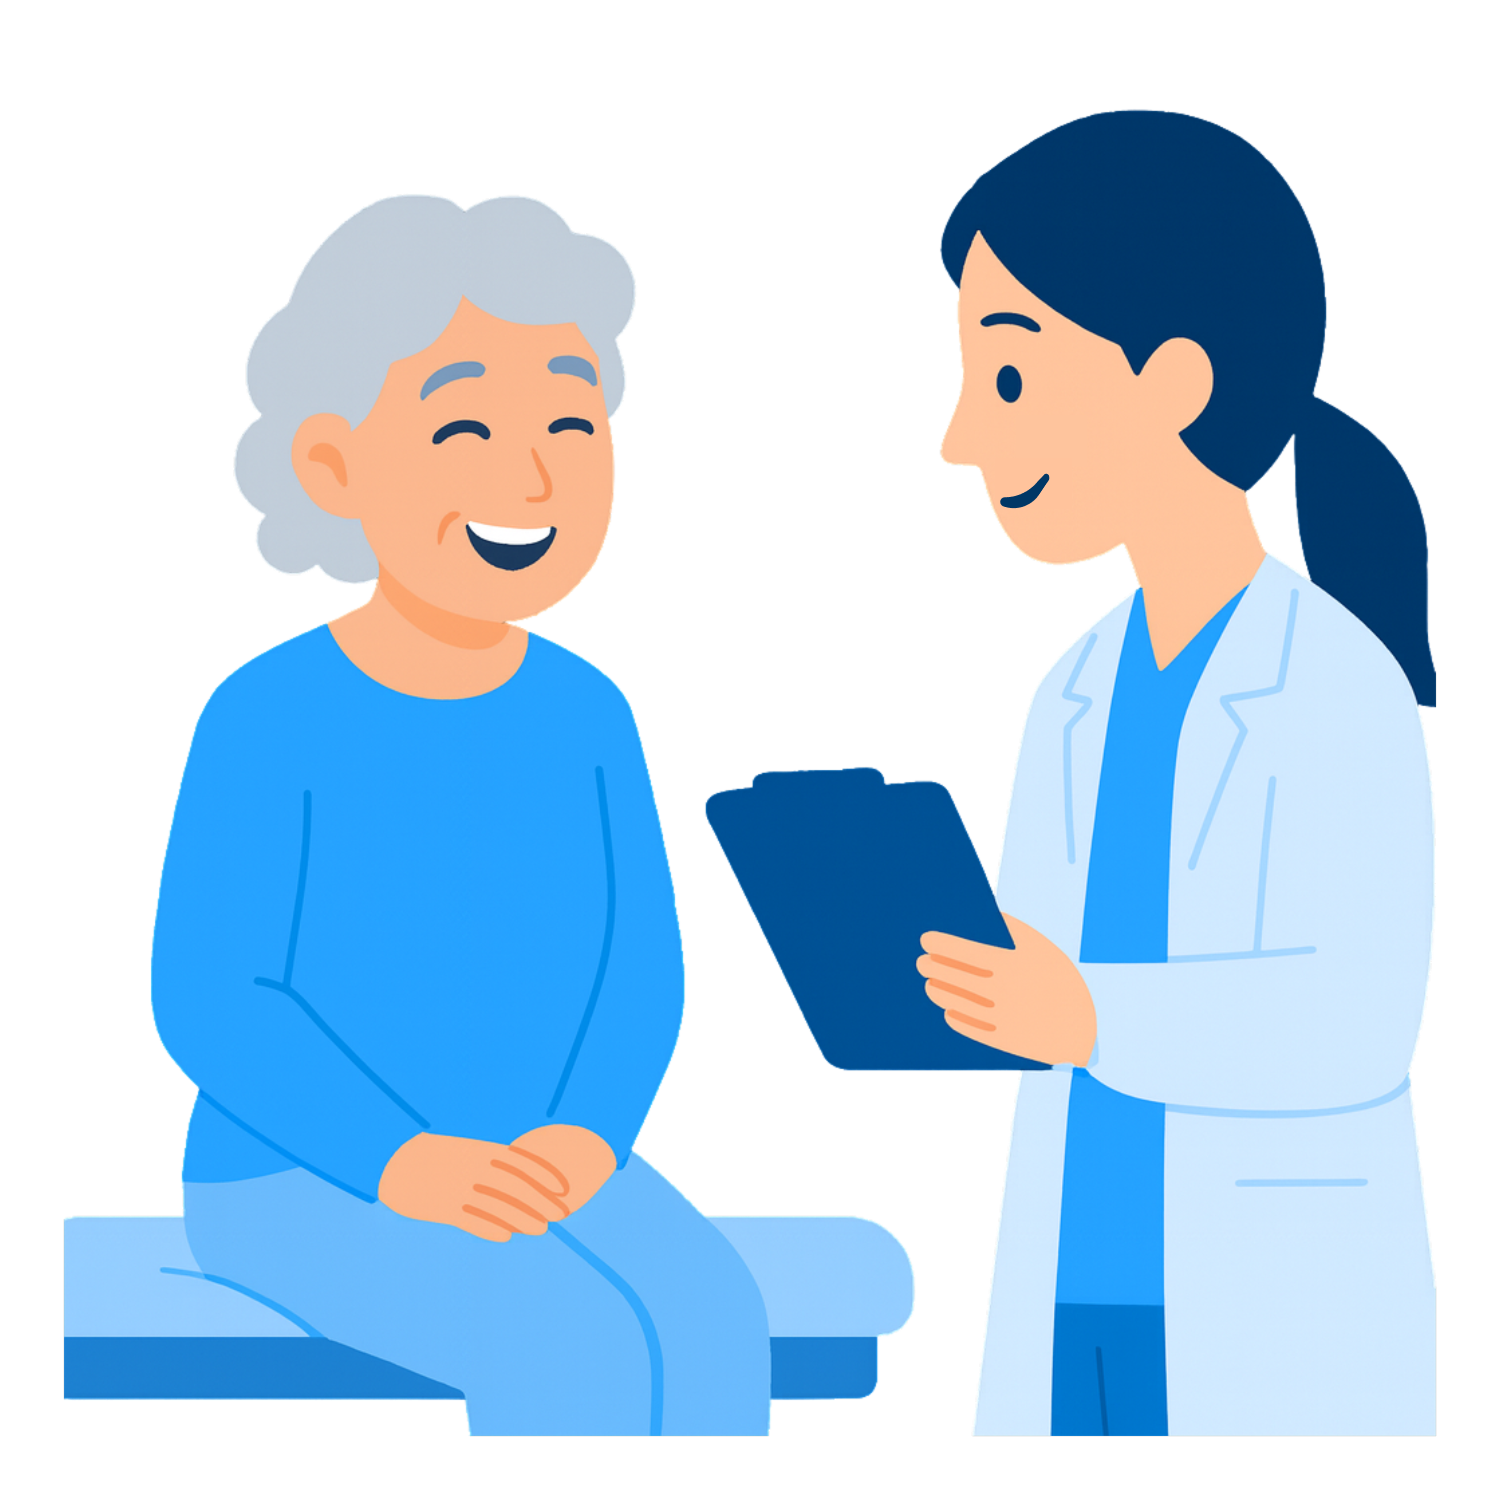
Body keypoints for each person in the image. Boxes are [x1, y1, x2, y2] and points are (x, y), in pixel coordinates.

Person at [150, 194, 771, 1436]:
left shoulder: (592, 712)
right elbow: (214, 995)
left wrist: (592, 1139)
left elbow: (637, 973)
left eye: (570, 418)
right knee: (567, 1343)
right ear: (333, 466)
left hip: (551, 1165)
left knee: (714, 1320)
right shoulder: (264, 716)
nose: (530, 473)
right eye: (466, 427)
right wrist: (400, 1162)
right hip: (296, 1177)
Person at [913, 111, 1435, 1436]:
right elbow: (1035, 994)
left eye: (1010, 379)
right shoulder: (1070, 694)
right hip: (1074, 1304)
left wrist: (1087, 1018)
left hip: (1266, 1311)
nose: (961, 438)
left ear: (1175, 384)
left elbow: (1359, 1021)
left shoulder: (1335, 690)